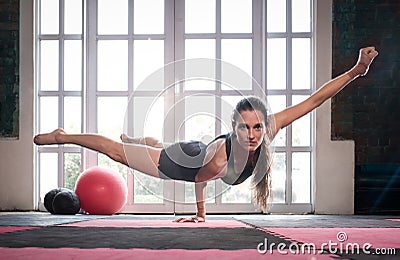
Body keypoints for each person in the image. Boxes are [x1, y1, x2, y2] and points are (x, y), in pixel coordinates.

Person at [34, 47, 378, 222]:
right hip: (181, 164)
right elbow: (200, 179)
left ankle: (141, 140)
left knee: (162, 143)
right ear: (234, 127)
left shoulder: (267, 128)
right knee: (117, 152)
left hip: (196, 148)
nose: (254, 133)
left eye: (258, 126)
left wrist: (356, 70)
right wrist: (201, 214)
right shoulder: (221, 158)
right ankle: (66, 135)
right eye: (246, 127)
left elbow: (314, 99)